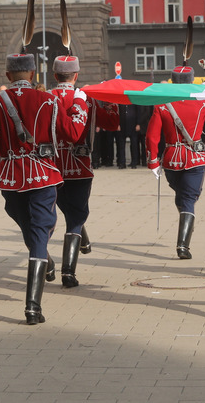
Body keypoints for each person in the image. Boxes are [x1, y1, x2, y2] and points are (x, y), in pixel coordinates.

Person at [0, 50, 89, 325]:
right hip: (43, 173)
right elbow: (73, 132)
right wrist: (79, 102)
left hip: (11, 177)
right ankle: (32, 307)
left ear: (8, 75)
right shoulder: (48, 99)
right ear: (32, 74)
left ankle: (47, 262)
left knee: (29, 229)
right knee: (40, 232)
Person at [50, 54, 119, 288]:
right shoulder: (87, 99)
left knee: (67, 210)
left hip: (51, 166)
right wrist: (110, 100)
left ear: (54, 75)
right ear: (76, 75)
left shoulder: (45, 98)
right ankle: (68, 272)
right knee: (76, 216)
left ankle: (81, 244)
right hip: (79, 166)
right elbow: (111, 123)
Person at [145, 64, 205, 259]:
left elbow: (152, 136)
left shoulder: (162, 105)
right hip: (195, 158)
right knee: (188, 199)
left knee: (182, 196)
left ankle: (186, 219)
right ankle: (183, 245)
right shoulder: (203, 102)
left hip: (171, 160)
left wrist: (152, 161)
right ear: (192, 81)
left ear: (172, 81)